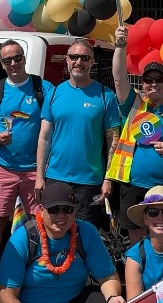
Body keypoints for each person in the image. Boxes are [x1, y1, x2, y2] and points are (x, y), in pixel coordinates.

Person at [0, 39, 53, 297]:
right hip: (3, 167)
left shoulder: (42, 88)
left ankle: (35, 270)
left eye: (17, 58)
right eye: (7, 60)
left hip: (35, 169)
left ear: (24, 59)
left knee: (38, 223)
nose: (13, 63)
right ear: (1, 63)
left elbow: (50, 128)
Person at [36, 41, 122, 231]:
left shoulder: (105, 96)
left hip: (89, 181)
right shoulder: (54, 93)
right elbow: (44, 138)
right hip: (56, 177)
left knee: (86, 235)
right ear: (66, 61)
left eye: (85, 58)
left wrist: (108, 179)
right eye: (74, 57)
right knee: (54, 231)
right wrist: (39, 177)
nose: (78, 62)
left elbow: (113, 141)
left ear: (92, 62)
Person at [110, 28, 163, 244]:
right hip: (133, 185)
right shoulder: (134, 105)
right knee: (137, 243)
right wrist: (121, 45)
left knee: (162, 241)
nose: (154, 84)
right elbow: (119, 78)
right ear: (142, 83)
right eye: (148, 80)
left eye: (159, 79)